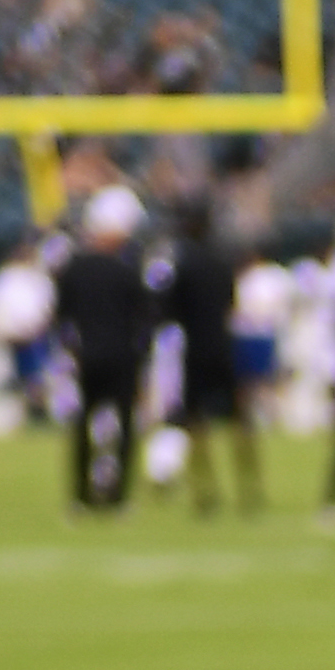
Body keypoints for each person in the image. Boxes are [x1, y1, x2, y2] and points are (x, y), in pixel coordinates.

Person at [52, 188, 151, 515]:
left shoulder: (75, 269)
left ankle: (81, 495)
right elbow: (146, 318)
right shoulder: (127, 271)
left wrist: (72, 350)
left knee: (83, 426)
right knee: (123, 427)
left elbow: (62, 316)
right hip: (122, 356)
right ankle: (118, 496)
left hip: (87, 354)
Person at [163, 204, 260, 517]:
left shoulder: (184, 265)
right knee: (240, 420)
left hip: (196, 349)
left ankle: (205, 492)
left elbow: (171, 310)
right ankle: (250, 489)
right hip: (224, 346)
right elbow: (231, 304)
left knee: (196, 422)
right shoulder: (222, 263)